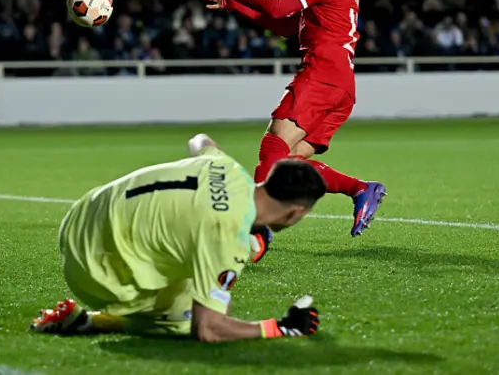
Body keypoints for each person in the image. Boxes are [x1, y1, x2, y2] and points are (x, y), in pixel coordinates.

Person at [202, 0, 386, 261]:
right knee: (292, 166)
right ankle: (361, 189)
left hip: (320, 77)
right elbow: (288, 26)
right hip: (342, 86)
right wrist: (233, 5)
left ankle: (256, 230)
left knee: (272, 149)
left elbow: (278, 7)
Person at [30, 134, 325, 342]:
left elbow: (200, 140)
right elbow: (208, 330)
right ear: (295, 213)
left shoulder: (227, 166)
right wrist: (279, 328)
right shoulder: (228, 236)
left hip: (79, 219)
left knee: (197, 278)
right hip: (92, 270)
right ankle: (89, 321)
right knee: (188, 320)